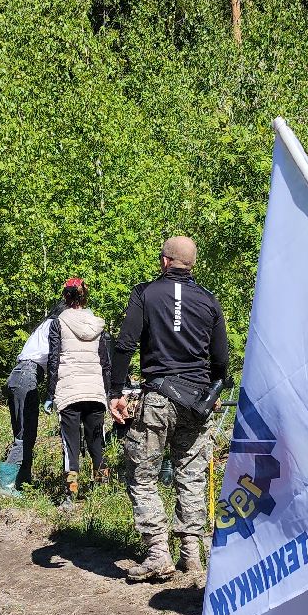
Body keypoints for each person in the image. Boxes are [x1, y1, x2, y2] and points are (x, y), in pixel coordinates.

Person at [109, 235, 230, 583]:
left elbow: (125, 344)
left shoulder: (145, 293)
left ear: (164, 261)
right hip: (196, 403)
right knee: (191, 475)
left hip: (158, 399)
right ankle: (192, 557)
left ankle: (158, 553)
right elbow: (221, 358)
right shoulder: (209, 301)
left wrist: (116, 392)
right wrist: (216, 387)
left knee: (142, 475)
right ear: (192, 264)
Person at [45, 278, 113, 504]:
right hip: (94, 392)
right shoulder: (97, 324)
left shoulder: (58, 323)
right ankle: (102, 492)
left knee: (70, 446)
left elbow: (54, 360)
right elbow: (105, 362)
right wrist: (107, 392)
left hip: (69, 392)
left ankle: (70, 495)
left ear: (65, 296)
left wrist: (49, 393)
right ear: (85, 297)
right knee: (97, 443)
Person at [0, 299, 56, 497]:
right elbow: (56, 358)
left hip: (21, 375)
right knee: (24, 435)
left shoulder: (44, 326)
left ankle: (23, 481)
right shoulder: (55, 325)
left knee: (25, 433)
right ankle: (6, 487)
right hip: (27, 375)